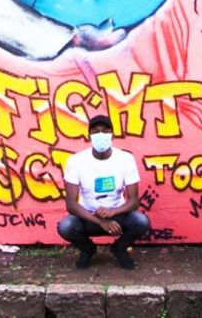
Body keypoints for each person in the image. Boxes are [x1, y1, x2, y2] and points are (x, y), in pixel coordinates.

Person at [57, 114, 150, 269]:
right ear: (89, 136)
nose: (101, 135)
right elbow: (71, 204)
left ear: (112, 135)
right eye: (96, 131)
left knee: (141, 222)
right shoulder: (76, 161)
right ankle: (88, 249)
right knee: (66, 226)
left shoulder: (125, 159)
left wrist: (113, 212)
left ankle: (119, 249)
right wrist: (101, 221)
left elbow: (134, 201)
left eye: (105, 131)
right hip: (88, 216)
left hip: (117, 216)